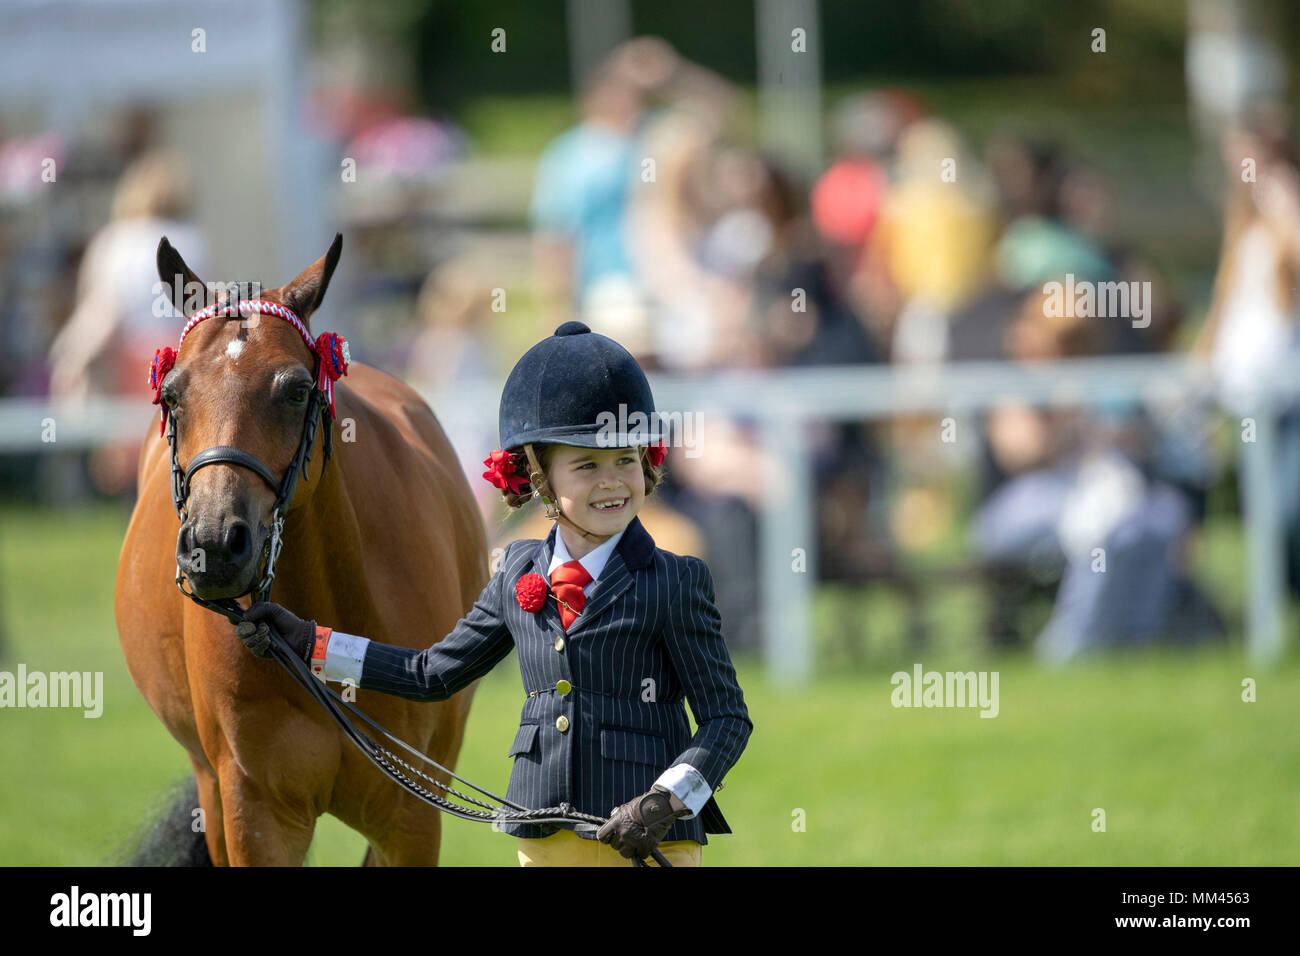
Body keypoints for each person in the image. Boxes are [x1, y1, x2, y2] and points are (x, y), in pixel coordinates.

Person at [237, 321, 753, 866]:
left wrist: (666, 801)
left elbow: (727, 719)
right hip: (542, 835)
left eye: (626, 460)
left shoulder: (676, 579)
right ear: (538, 476)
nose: (612, 481)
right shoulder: (515, 572)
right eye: (586, 465)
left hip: (649, 839)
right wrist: (312, 646)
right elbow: (431, 673)